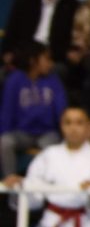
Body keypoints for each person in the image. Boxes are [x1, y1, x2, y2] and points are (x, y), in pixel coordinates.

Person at [0, 43, 67, 180]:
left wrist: (63, 133)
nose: (51, 63)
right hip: (22, 133)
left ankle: (46, 185)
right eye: (47, 59)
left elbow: (61, 110)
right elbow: (7, 112)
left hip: (48, 132)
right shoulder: (15, 80)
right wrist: (4, 132)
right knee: (4, 142)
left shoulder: (54, 80)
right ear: (33, 60)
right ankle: (10, 181)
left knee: (51, 148)